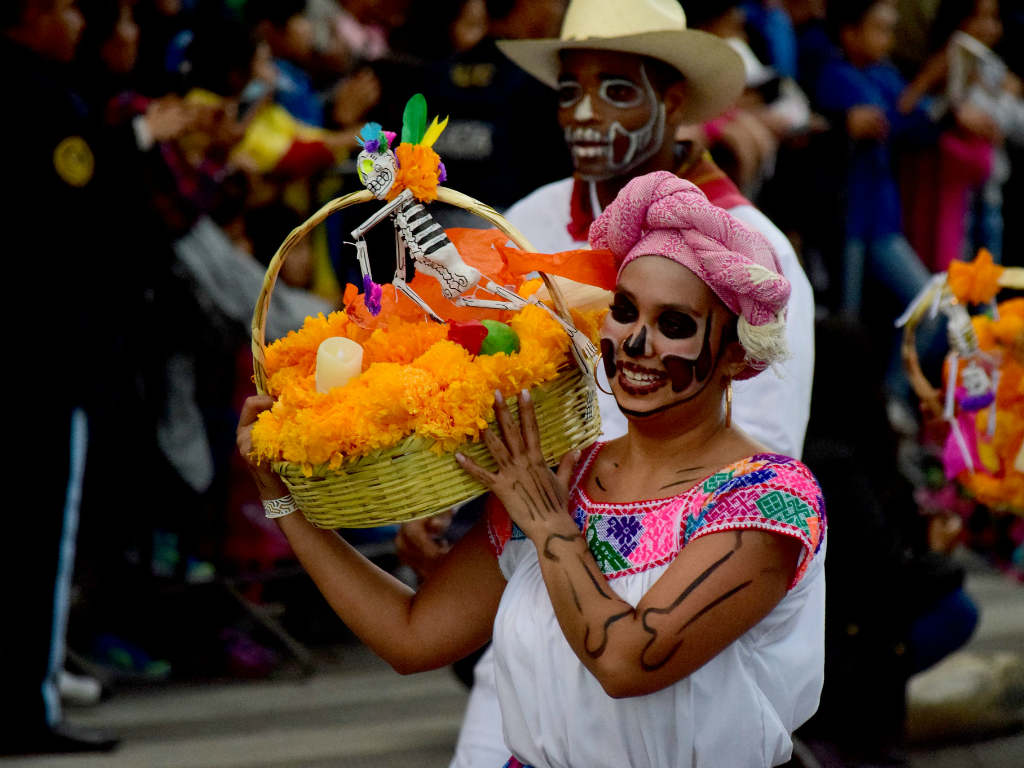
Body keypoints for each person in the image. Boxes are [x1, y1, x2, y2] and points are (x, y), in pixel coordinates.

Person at [237, 170, 826, 768]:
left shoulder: (767, 496)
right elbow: (411, 637)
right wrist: (282, 499)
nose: (636, 342)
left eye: (674, 324)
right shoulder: (562, 474)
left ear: (733, 353)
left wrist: (549, 526)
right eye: (624, 311)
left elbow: (627, 661)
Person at [392, 2, 818, 763]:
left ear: (674, 100)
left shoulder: (755, 260)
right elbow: (479, 374)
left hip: (675, 662)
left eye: (616, 90)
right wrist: (463, 509)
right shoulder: (524, 220)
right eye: (569, 91)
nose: (585, 114)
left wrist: (544, 525)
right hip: (530, 611)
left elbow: (754, 466)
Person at [2, 0, 120, 754]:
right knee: (39, 537)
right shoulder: (50, 99)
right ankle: (26, 707)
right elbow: (82, 223)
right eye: (70, 6)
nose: (80, 21)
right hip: (44, 360)